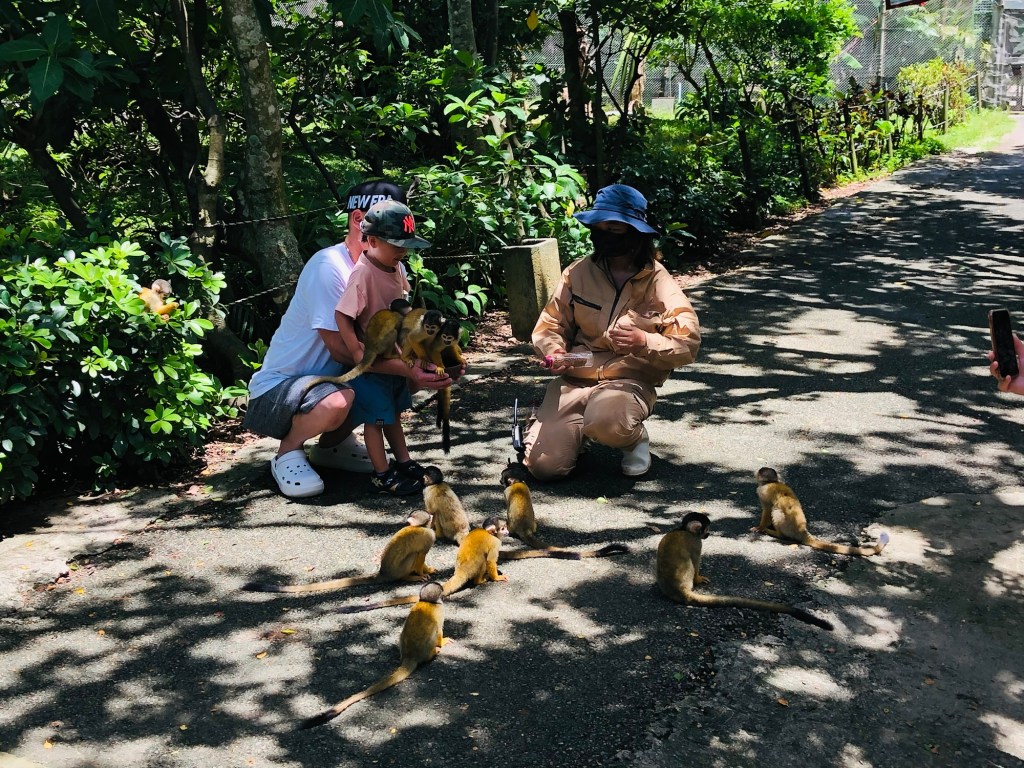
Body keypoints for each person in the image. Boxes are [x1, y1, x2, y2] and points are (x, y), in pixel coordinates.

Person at [523, 184, 701, 480]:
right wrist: (554, 351)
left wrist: (644, 341)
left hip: (626, 381)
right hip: (574, 378)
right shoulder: (578, 272)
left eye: (614, 229)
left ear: (636, 232)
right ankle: (573, 435)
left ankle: (633, 439)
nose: (604, 235)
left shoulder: (657, 280)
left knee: (609, 421)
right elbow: (551, 323)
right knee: (544, 468)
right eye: (599, 227)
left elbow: (688, 343)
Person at [243, 180, 407, 499]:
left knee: (392, 384)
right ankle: (288, 452)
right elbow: (341, 349)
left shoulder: (388, 264)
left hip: (330, 380)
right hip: (279, 391)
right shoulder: (329, 267)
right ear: (359, 220)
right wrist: (409, 369)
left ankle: (333, 446)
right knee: (341, 398)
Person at [335, 199, 455, 496]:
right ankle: (382, 473)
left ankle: (404, 462)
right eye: (396, 245)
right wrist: (355, 350)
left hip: (395, 355)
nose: (402, 251)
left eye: (405, 245)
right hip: (372, 362)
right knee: (375, 421)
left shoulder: (396, 267)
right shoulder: (362, 274)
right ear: (372, 241)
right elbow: (342, 314)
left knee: (393, 414)